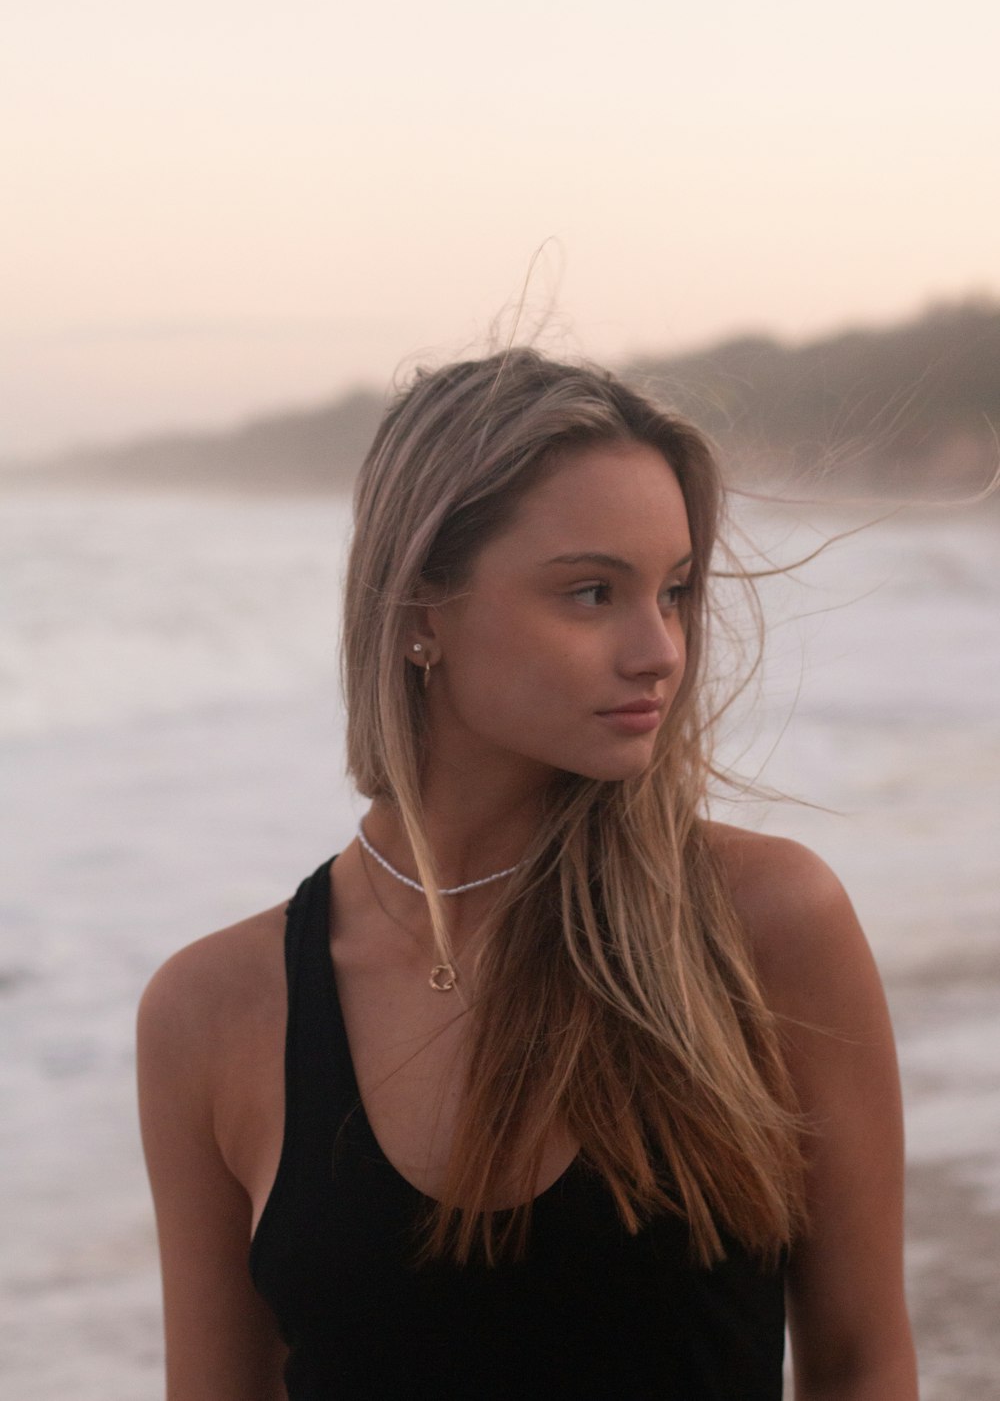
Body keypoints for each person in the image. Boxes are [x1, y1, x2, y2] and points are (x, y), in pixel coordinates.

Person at [137, 347, 918, 1399]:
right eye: (593, 592)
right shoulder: (214, 1009)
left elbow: (863, 1366)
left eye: (676, 592)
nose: (660, 650)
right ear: (420, 610)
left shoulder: (762, 924)